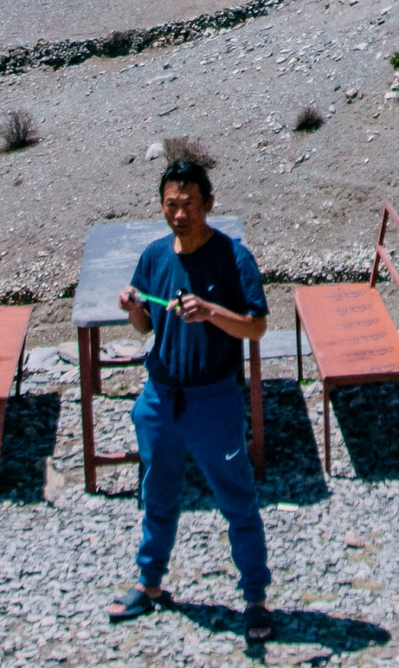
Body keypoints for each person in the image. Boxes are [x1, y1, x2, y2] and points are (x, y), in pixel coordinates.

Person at [107, 158, 274, 643]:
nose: (179, 214)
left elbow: (257, 326)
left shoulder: (233, 258)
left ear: (208, 205)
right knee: (157, 496)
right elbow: (144, 329)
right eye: (171, 205)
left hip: (214, 400)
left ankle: (256, 599)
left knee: (237, 501)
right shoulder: (155, 256)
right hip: (161, 397)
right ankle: (150, 584)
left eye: (189, 205)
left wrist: (211, 312)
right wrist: (134, 309)